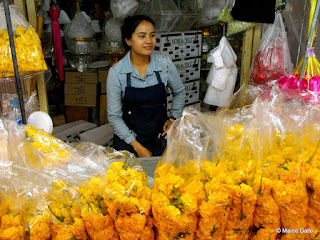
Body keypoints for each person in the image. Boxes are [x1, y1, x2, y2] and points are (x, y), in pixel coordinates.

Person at [107, 15, 185, 158]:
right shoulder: (117, 73)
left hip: (159, 139)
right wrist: (137, 147)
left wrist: (174, 118)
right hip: (128, 143)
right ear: (128, 40)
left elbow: (179, 92)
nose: (149, 41)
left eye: (152, 35)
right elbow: (114, 117)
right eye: (142, 36)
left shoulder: (164, 64)